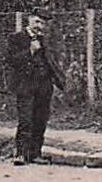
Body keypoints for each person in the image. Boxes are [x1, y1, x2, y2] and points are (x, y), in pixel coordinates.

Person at [6, 10, 65, 165]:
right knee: (26, 120)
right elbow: (11, 61)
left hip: (44, 86)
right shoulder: (16, 38)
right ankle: (21, 154)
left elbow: (51, 61)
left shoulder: (45, 40)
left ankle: (35, 154)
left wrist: (57, 80)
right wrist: (30, 51)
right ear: (30, 20)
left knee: (40, 120)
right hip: (25, 85)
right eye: (38, 22)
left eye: (43, 23)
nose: (40, 26)